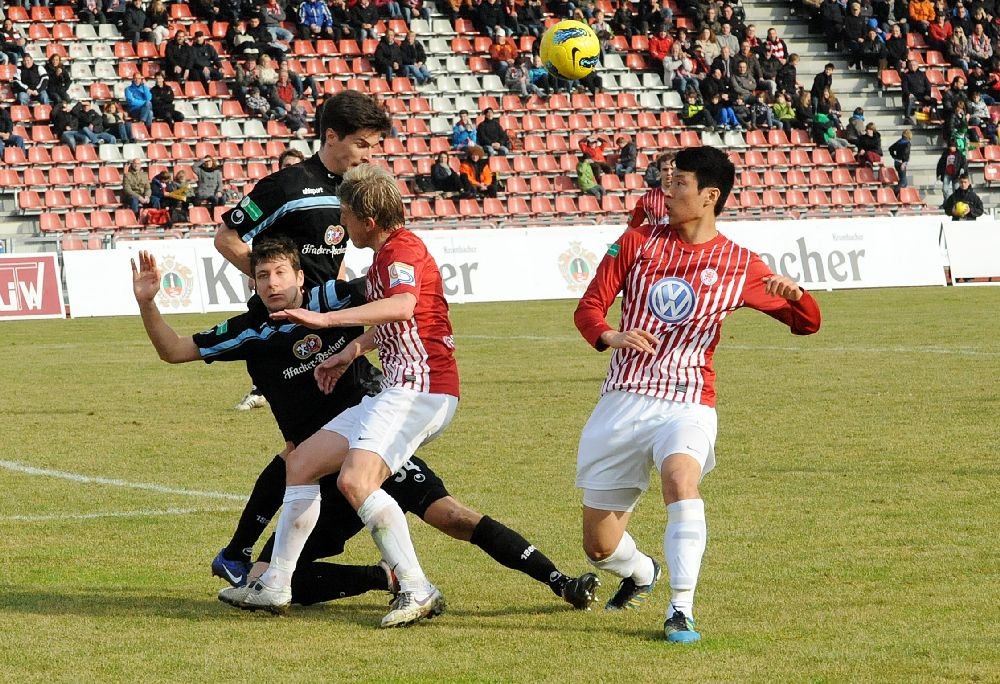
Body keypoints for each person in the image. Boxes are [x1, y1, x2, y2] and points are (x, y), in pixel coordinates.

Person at [573, 145, 821, 644]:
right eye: (666, 181)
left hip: (688, 400)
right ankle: (642, 570)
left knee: (680, 478)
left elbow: (807, 324)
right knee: (599, 548)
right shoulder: (636, 242)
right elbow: (589, 309)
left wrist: (798, 298)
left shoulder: (740, 263)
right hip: (623, 398)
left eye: (679, 183)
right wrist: (611, 335)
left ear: (710, 195)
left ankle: (681, 609)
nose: (667, 191)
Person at [218, 165, 459, 628]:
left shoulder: (401, 251)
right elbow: (400, 321)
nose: (340, 224)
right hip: (399, 387)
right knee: (302, 462)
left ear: (367, 219)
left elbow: (403, 307)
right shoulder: (387, 253)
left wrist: (326, 321)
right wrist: (352, 350)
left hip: (421, 389)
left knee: (354, 481)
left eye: (345, 214)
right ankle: (275, 585)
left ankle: (416, 586)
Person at [216, 92, 392, 414]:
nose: (369, 156)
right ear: (331, 137)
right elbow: (226, 238)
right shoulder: (285, 186)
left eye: (373, 147)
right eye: (361, 145)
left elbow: (334, 253)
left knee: (369, 418)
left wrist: (335, 293)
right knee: (365, 418)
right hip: (295, 332)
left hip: (332, 323)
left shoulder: (351, 189)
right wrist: (274, 284)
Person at [628, 151, 674, 229]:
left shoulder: (688, 197)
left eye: (672, 169)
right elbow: (632, 227)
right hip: (657, 236)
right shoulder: (646, 199)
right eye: (665, 169)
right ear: (659, 172)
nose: (669, 173)